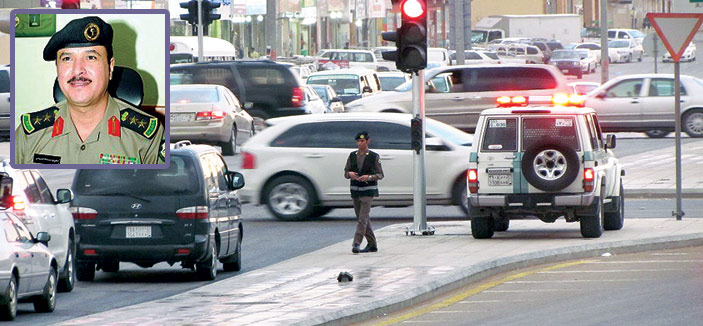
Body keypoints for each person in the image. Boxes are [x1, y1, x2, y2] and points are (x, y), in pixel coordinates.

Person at [14, 16, 165, 165]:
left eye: (91, 57)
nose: (77, 70)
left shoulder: (147, 137)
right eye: (67, 59)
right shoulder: (29, 135)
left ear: (110, 67)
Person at [344, 131, 384, 254]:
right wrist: (350, 174)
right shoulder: (352, 155)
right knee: (362, 218)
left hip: (368, 190)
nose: (360, 143)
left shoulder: (373, 156)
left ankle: (356, 243)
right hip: (356, 190)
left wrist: (369, 177)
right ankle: (372, 244)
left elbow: (380, 174)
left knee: (362, 218)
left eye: (362, 141)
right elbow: (346, 172)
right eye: (358, 141)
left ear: (368, 141)